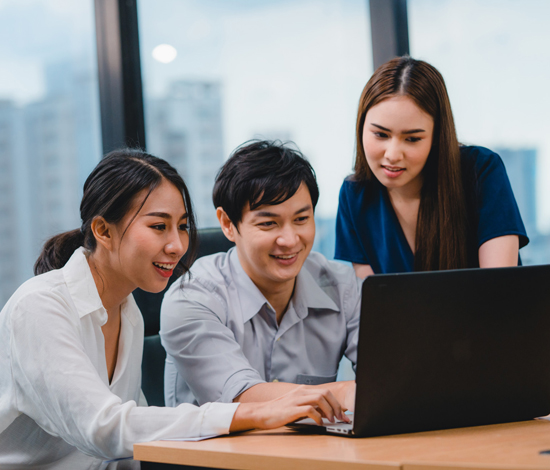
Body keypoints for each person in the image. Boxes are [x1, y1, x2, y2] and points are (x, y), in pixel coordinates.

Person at [0, 149, 347, 469]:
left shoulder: (127, 311)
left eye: (182, 226)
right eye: (158, 227)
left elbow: (126, 447)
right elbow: (104, 428)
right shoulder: (39, 306)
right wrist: (252, 414)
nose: (178, 245)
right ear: (103, 230)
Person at [160, 140, 359, 412]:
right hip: (216, 453)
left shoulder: (342, 286)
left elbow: (388, 377)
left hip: (314, 452)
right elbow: (240, 396)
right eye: (268, 223)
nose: (290, 240)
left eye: (301, 219)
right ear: (228, 224)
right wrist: (344, 392)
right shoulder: (192, 298)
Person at [335, 56, 528, 278]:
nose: (393, 155)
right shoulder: (354, 196)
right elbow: (375, 301)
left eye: (412, 139)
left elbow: (498, 288)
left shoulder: (480, 171)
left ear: (436, 136)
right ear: (361, 127)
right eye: (380, 134)